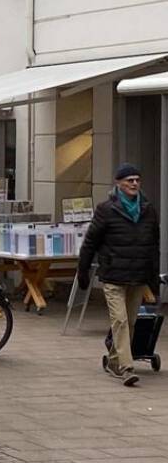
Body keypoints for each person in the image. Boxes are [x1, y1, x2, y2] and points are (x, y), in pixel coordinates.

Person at [78, 163, 161, 387]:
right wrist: (82, 270)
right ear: (118, 183)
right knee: (120, 321)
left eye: (137, 179)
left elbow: (153, 246)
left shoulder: (148, 210)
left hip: (138, 276)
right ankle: (126, 367)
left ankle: (114, 361)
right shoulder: (106, 210)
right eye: (129, 180)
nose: (134, 183)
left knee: (131, 322)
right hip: (113, 275)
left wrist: (153, 279)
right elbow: (90, 243)